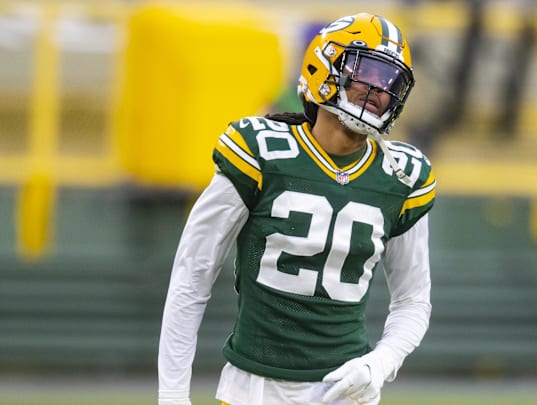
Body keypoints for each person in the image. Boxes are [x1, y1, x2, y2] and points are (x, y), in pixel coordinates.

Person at [158, 12, 436, 405]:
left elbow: (413, 300)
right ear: (325, 67)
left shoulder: (400, 176)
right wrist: (172, 396)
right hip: (253, 390)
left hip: (345, 393)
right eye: (368, 73)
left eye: (390, 81)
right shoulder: (262, 151)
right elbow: (193, 274)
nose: (379, 90)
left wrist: (379, 363)